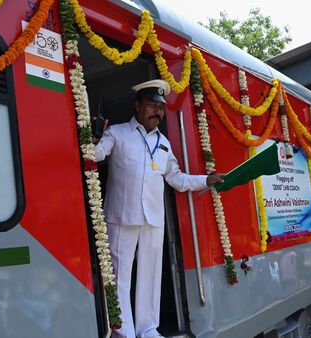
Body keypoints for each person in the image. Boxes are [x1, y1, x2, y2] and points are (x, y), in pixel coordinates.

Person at [94, 79, 224, 338]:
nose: (158, 112)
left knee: (151, 276)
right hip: (121, 216)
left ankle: (148, 328)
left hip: (153, 218)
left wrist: (204, 180)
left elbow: (176, 178)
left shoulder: (164, 142)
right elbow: (95, 156)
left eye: (161, 108)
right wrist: (93, 134)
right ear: (138, 106)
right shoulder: (117, 133)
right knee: (119, 277)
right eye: (152, 106)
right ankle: (123, 331)